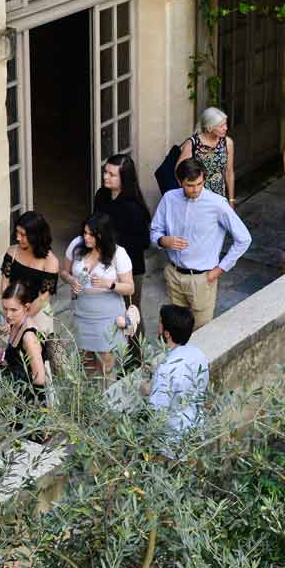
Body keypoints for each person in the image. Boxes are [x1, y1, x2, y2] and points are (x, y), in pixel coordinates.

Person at [148, 157, 252, 330]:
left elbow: (244, 239)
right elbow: (155, 231)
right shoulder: (169, 198)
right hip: (174, 274)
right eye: (190, 185)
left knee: (202, 333)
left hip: (202, 279)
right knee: (175, 331)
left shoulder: (217, 204)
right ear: (179, 181)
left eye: (199, 184)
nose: (195, 189)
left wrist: (219, 270)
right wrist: (163, 240)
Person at [65, 214, 134, 377]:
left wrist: (109, 284)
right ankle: (89, 399)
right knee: (85, 361)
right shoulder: (76, 245)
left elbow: (130, 288)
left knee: (106, 362)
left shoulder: (118, 253)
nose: (86, 237)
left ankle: (106, 397)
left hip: (107, 315)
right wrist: (71, 280)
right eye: (85, 233)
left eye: (91, 234)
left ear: (101, 235)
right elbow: (63, 271)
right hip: (82, 312)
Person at [144, 305, 209, 441]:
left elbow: (157, 411)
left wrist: (147, 390)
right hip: (195, 426)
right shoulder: (198, 354)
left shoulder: (165, 370)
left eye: (161, 322)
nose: (158, 324)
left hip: (171, 438)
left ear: (167, 334)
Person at [0, 279, 51, 425]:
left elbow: (39, 379)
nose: (8, 315)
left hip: (29, 406)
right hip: (16, 400)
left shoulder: (28, 336)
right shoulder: (16, 324)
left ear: (26, 307)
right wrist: (1, 353)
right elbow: (17, 357)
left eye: (14, 310)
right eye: (5, 309)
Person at [0, 210, 62, 334]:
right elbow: (4, 284)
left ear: (36, 235)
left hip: (38, 314)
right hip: (12, 311)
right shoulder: (12, 252)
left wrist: (22, 318)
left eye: (23, 234)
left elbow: (42, 297)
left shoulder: (50, 261)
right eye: (17, 232)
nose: (17, 238)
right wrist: (9, 311)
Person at [91, 154, 152, 273]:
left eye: (112, 175)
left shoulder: (134, 208)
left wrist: (111, 239)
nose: (105, 177)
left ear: (124, 178)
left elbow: (144, 242)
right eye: (105, 172)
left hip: (129, 269)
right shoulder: (101, 195)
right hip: (103, 262)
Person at [180, 108, 236, 205]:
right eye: (222, 125)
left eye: (226, 124)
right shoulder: (193, 143)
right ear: (210, 128)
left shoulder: (227, 143)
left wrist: (231, 200)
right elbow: (179, 172)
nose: (226, 128)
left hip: (219, 198)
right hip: (198, 199)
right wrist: (189, 194)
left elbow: (229, 172)